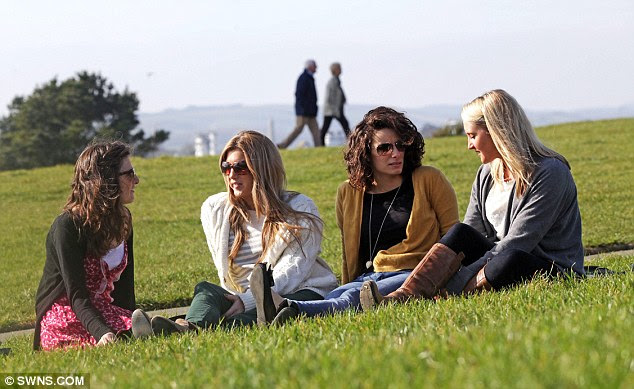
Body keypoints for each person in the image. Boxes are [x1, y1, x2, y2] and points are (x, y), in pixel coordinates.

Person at [360, 89, 584, 308]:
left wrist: (457, 278)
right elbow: (470, 231)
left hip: (546, 266)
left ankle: (447, 296)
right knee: (460, 233)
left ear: (497, 131)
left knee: (509, 259)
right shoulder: (487, 173)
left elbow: (520, 241)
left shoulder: (550, 173)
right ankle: (405, 295)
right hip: (497, 258)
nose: (469, 145)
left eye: (472, 136)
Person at [250, 107, 459, 325]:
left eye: (401, 145)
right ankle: (278, 311)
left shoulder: (429, 179)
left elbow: (453, 237)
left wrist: (445, 282)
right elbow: (349, 253)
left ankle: (287, 307)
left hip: (414, 274)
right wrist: (349, 280)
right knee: (335, 296)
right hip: (367, 276)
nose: (396, 153)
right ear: (365, 152)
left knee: (351, 298)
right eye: (385, 148)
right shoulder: (348, 193)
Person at [131, 131, 337, 335]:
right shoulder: (216, 209)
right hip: (239, 295)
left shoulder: (299, 208)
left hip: (299, 290)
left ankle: (210, 330)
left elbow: (292, 273)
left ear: (262, 169)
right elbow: (226, 277)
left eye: (241, 167)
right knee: (206, 291)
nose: (232, 174)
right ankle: (188, 328)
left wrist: (247, 300)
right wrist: (237, 298)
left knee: (256, 314)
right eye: (226, 167)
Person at [34, 141, 139, 350]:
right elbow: (77, 296)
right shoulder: (68, 226)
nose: (136, 180)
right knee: (124, 335)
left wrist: (132, 317)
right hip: (66, 315)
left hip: (103, 309)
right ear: (106, 181)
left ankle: (181, 325)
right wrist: (104, 333)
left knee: (138, 329)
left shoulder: (124, 220)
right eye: (129, 174)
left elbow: (125, 291)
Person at [277, 59, 321, 148]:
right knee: (298, 129)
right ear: (310, 67)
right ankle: (283, 145)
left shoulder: (309, 78)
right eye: (315, 66)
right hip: (304, 112)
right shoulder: (304, 78)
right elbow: (299, 95)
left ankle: (319, 147)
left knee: (316, 131)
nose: (316, 68)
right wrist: (303, 109)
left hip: (310, 112)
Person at [320, 62, 351, 145]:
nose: (341, 70)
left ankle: (351, 142)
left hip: (334, 109)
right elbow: (329, 97)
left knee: (344, 125)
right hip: (332, 110)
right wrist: (335, 110)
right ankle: (352, 142)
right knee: (343, 125)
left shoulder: (336, 80)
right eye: (339, 68)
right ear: (335, 70)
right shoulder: (332, 81)